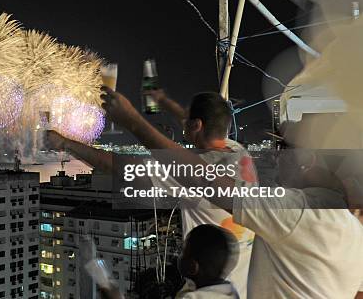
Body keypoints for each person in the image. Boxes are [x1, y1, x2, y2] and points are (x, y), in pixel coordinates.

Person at [98, 86, 363, 299]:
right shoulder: (351, 228)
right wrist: (165, 101)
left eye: (283, 146)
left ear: (310, 160)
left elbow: (207, 182)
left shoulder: (299, 212)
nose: (277, 155)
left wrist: (133, 121)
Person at [46, 90, 257, 298]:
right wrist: (163, 100)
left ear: (196, 125)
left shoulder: (192, 172)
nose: (182, 121)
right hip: (238, 286)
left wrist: (66, 143)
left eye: (187, 119)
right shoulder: (238, 154)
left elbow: (121, 168)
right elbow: (193, 124)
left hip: (205, 289)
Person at [176, 224, 240, 299]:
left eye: (183, 251)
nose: (179, 255)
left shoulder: (191, 297)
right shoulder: (231, 293)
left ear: (193, 265)